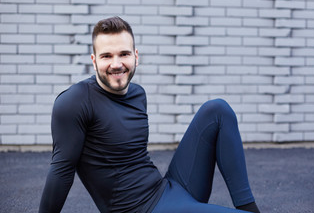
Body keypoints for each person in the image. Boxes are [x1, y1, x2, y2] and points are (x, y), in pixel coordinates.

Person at [39, 16, 260, 213]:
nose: (116, 64)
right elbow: (61, 170)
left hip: (167, 190)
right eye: (107, 56)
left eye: (124, 54)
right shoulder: (75, 102)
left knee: (217, 109)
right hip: (139, 208)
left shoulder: (137, 94)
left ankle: (249, 207)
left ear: (136, 56)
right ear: (94, 60)